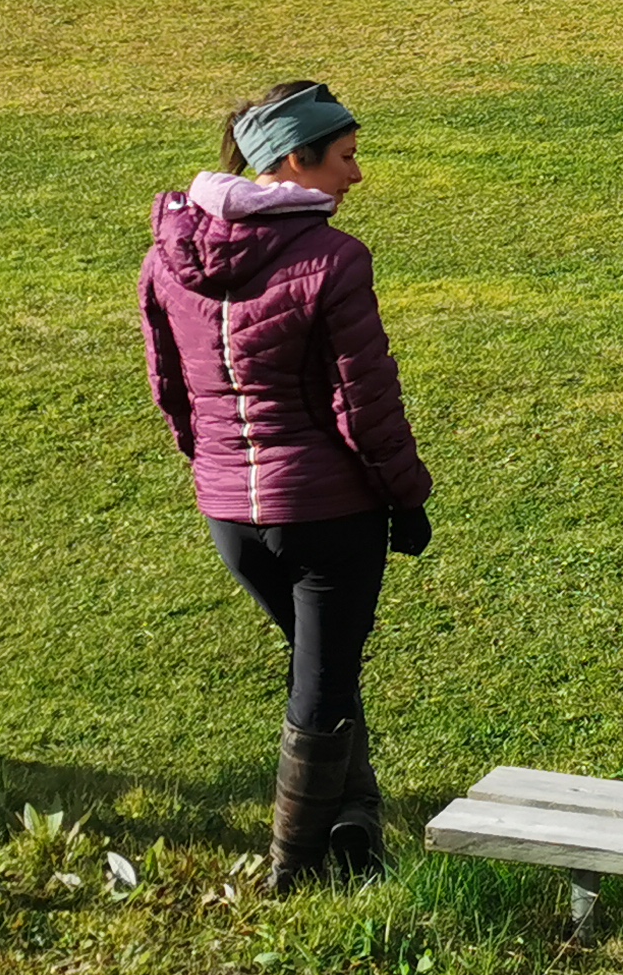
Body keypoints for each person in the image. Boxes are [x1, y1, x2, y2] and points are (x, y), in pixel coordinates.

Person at [139, 79, 434, 889]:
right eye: (345, 157)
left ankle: (356, 826)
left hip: (229, 515)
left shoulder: (167, 254)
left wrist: (215, 472)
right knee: (322, 686)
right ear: (294, 160)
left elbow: (170, 390)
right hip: (326, 515)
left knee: (322, 669)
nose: (357, 175)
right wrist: (406, 497)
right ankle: (295, 871)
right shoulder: (334, 258)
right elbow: (364, 403)